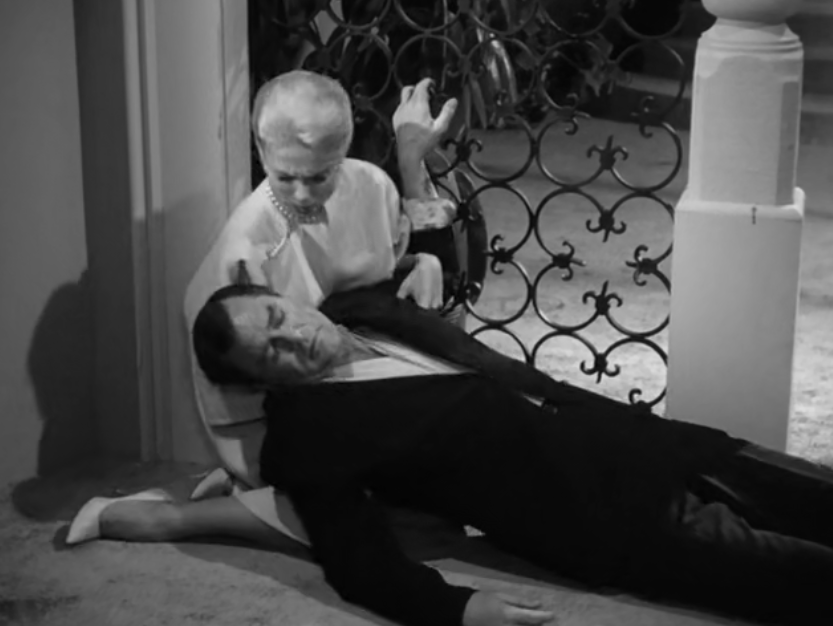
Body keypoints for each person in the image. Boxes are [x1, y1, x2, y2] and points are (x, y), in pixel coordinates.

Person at [73, 283, 833, 626]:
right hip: (611, 520)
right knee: (804, 576)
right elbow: (355, 558)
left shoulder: (362, 309)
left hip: (657, 440)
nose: (293, 336)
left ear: (288, 296)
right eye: (270, 351)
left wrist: (413, 163)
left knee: (815, 494)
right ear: (260, 382)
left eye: (278, 314)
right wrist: (457, 609)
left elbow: (440, 261)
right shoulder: (307, 439)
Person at [179, 68, 465, 541]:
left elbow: (389, 267)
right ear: (261, 152)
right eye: (284, 177)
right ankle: (187, 515)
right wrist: (256, 470)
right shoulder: (240, 254)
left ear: (344, 150)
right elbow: (232, 387)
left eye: (320, 176)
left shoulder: (371, 184)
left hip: (370, 364)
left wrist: (422, 261)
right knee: (372, 519)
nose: (302, 195)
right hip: (301, 404)